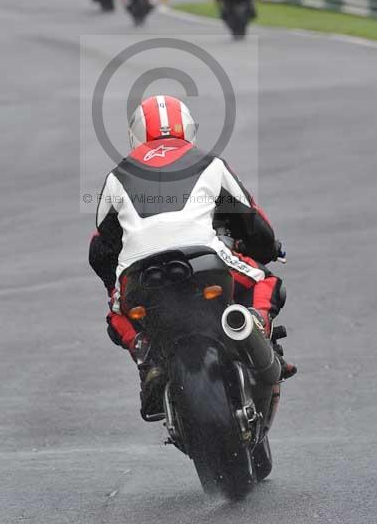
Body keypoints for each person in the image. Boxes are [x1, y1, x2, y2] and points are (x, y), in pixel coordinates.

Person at [89, 95, 297, 417]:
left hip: (141, 274)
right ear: (188, 129)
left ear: (135, 135)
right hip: (203, 260)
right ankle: (254, 320)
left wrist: (114, 286)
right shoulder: (210, 162)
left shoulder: (117, 176)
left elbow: (100, 249)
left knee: (116, 315)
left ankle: (147, 357)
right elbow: (251, 219)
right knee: (265, 279)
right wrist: (268, 248)